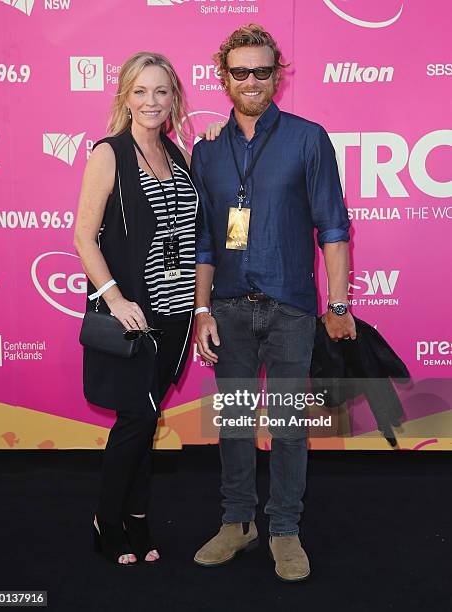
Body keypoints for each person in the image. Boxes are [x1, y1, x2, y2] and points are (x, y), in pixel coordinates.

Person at [192, 24, 356, 582]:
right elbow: (206, 238)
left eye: (263, 70)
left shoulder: (308, 138)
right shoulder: (206, 149)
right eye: (240, 71)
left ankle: (285, 527)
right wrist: (201, 310)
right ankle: (238, 522)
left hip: (290, 305)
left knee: (287, 425)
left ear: (277, 75)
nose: (252, 81)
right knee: (235, 422)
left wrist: (337, 306)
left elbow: (332, 227)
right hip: (230, 307)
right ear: (224, 77)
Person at [74, 52, 197, 566]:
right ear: (125, 95)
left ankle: (138, 518)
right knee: (136, 419)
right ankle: (108, 517)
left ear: (174, 99)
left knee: (147, 420)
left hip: (177, 312)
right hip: (135, 315)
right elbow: (83, 236)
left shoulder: (177, 154)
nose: (151, 101)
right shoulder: (109, 153)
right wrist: (116, 298)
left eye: (161, 92)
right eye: (140, 91)